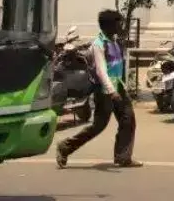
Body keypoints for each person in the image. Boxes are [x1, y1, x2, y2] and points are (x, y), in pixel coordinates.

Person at [56, 9, 140, 169]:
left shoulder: (114, 42)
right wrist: (111, 91)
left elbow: (117, 67)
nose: (120, 27)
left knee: (128, 120)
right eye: (117, 24)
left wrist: (121, 87)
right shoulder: (99, 44)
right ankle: (65, 146)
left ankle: (123, 157)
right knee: (98, 126)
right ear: (108, 26)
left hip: (118, 88)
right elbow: (101, 71)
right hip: (105, 91)